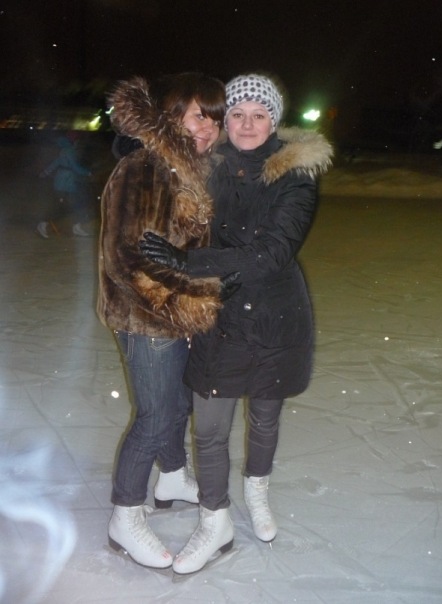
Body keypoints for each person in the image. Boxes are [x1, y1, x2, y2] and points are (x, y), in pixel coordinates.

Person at [139, 73, 333, 574]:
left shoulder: (297, 176)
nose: (247, 124)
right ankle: (215, 519)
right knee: (208, 428)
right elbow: (160, 159)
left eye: (259, 115)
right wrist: (131, 144)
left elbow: (271, 253)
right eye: (238, 114)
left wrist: (190, 264)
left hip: (274, 315)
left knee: (264, 417)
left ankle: (257, 490)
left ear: (275, 121)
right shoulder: (209, 164)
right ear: (226, 120)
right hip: (218, 312)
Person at [97, 73, 237, 569]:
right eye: (200, 115)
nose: (209, 128)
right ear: (173, 113)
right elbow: (125, 256)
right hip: (145, 316)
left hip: (178, 314)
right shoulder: (145, 167)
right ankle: (124, 515)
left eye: (215, 119)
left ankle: (173, 477)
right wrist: (185, 303)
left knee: (177, 405)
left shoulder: (190, 168)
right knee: (154, 417)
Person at [37, 132, 92, 238]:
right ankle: (42, 224)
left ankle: (76, 227)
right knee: (61, 206)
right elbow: (74, 166)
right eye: (77, 140)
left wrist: (45, 172)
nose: (78, 142)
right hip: (64, 183)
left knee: (73, 204)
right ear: (74, 141)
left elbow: (56, 163)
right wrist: (87, 172)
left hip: (65, 182)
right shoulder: (69, 151)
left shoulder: (64, 150)